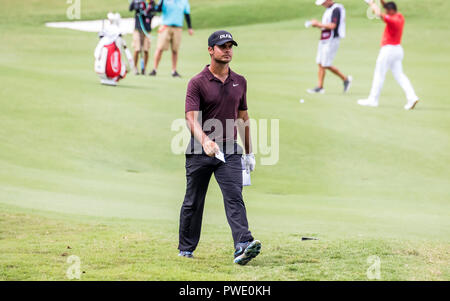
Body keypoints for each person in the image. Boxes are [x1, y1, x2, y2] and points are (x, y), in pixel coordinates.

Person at [179, 30, 261, 265]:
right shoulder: (197, 82)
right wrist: (205, 140)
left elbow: (243, 118)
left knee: (234, 196)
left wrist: (249, 152)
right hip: (199, 149)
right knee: (193, 201)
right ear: (210, 50)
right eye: (222, 46)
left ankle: (243, 244)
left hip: (230, 151)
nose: (227, 50)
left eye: (230, 46)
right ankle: (186, 248)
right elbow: (190, 118)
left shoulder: (240, 81)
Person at [358, 0, 419, 110]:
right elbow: (385, 7)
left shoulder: (392, 21)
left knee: (379, 74)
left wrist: (371, 3)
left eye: (387, 10)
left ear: (391, 11)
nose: (385, 11)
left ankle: (373, 100)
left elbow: (378, 14)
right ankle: (412, 97)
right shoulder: (400, 16)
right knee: (400, 75)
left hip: (388, 50)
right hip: (398, 50)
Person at [307, 0, 352, 94]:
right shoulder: (329, 9)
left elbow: (332, 26)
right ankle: (320, 87)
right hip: (324, 39)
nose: (322, 5)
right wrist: (316, 25)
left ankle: (345, 79)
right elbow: (326, 25)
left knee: (326, 64)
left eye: (323, 3)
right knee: (320, 62)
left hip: (332, 40)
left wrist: (318, 24)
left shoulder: (336, 9)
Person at [149, 0, 193, 77]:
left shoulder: (184, 1)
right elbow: (158, 10)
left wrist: (190, 27)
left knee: (175, 50)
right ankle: (154, 69)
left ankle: (174, 71)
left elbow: (187, 14)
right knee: (160, 48)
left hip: (178, 27)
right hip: (165, 26)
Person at [129, 0, 154, 75]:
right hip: (137, 29)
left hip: (147, 30)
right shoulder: (137, 1)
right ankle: (135, 68)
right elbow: (131, 8)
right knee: (137, 49)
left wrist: (147, 12)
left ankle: (144, 69)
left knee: (146, 50)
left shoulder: (151, 2)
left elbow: (154, 11)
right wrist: (136, 5)